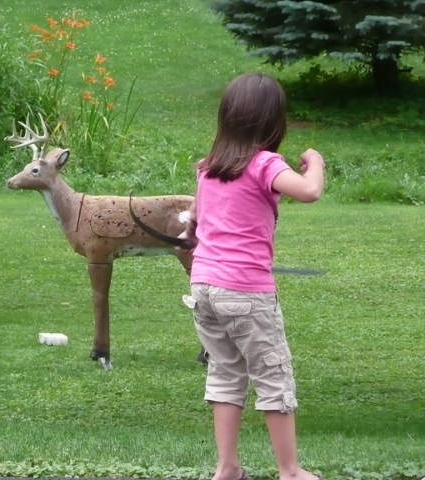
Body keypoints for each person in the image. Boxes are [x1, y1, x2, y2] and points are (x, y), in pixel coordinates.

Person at [181, 72, 326, 480]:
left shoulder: (209, 167)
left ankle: (227, 467)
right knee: (273, 375)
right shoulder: (264, 163)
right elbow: (309, 191)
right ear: (272, 120)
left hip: (204, 287)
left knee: (226, 372)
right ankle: (290, 471)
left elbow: (197, 216)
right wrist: (315, 162)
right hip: (245, 291)